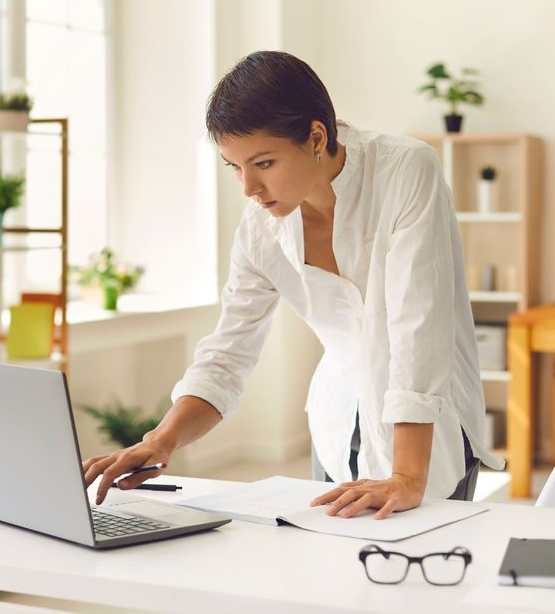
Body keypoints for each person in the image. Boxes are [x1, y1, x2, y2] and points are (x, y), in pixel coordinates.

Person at [83, 50, 504, 519]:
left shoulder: (405, 170)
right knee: (333, 581)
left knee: (426, 575)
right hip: (338, 423)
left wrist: (406, 476)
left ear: (316, 136)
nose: (248, 187)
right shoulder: (260, 231)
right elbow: (228, 353)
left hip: (427, 434)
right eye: (235, 167)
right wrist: (161, 439)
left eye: (263, 163)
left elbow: (417, 328)